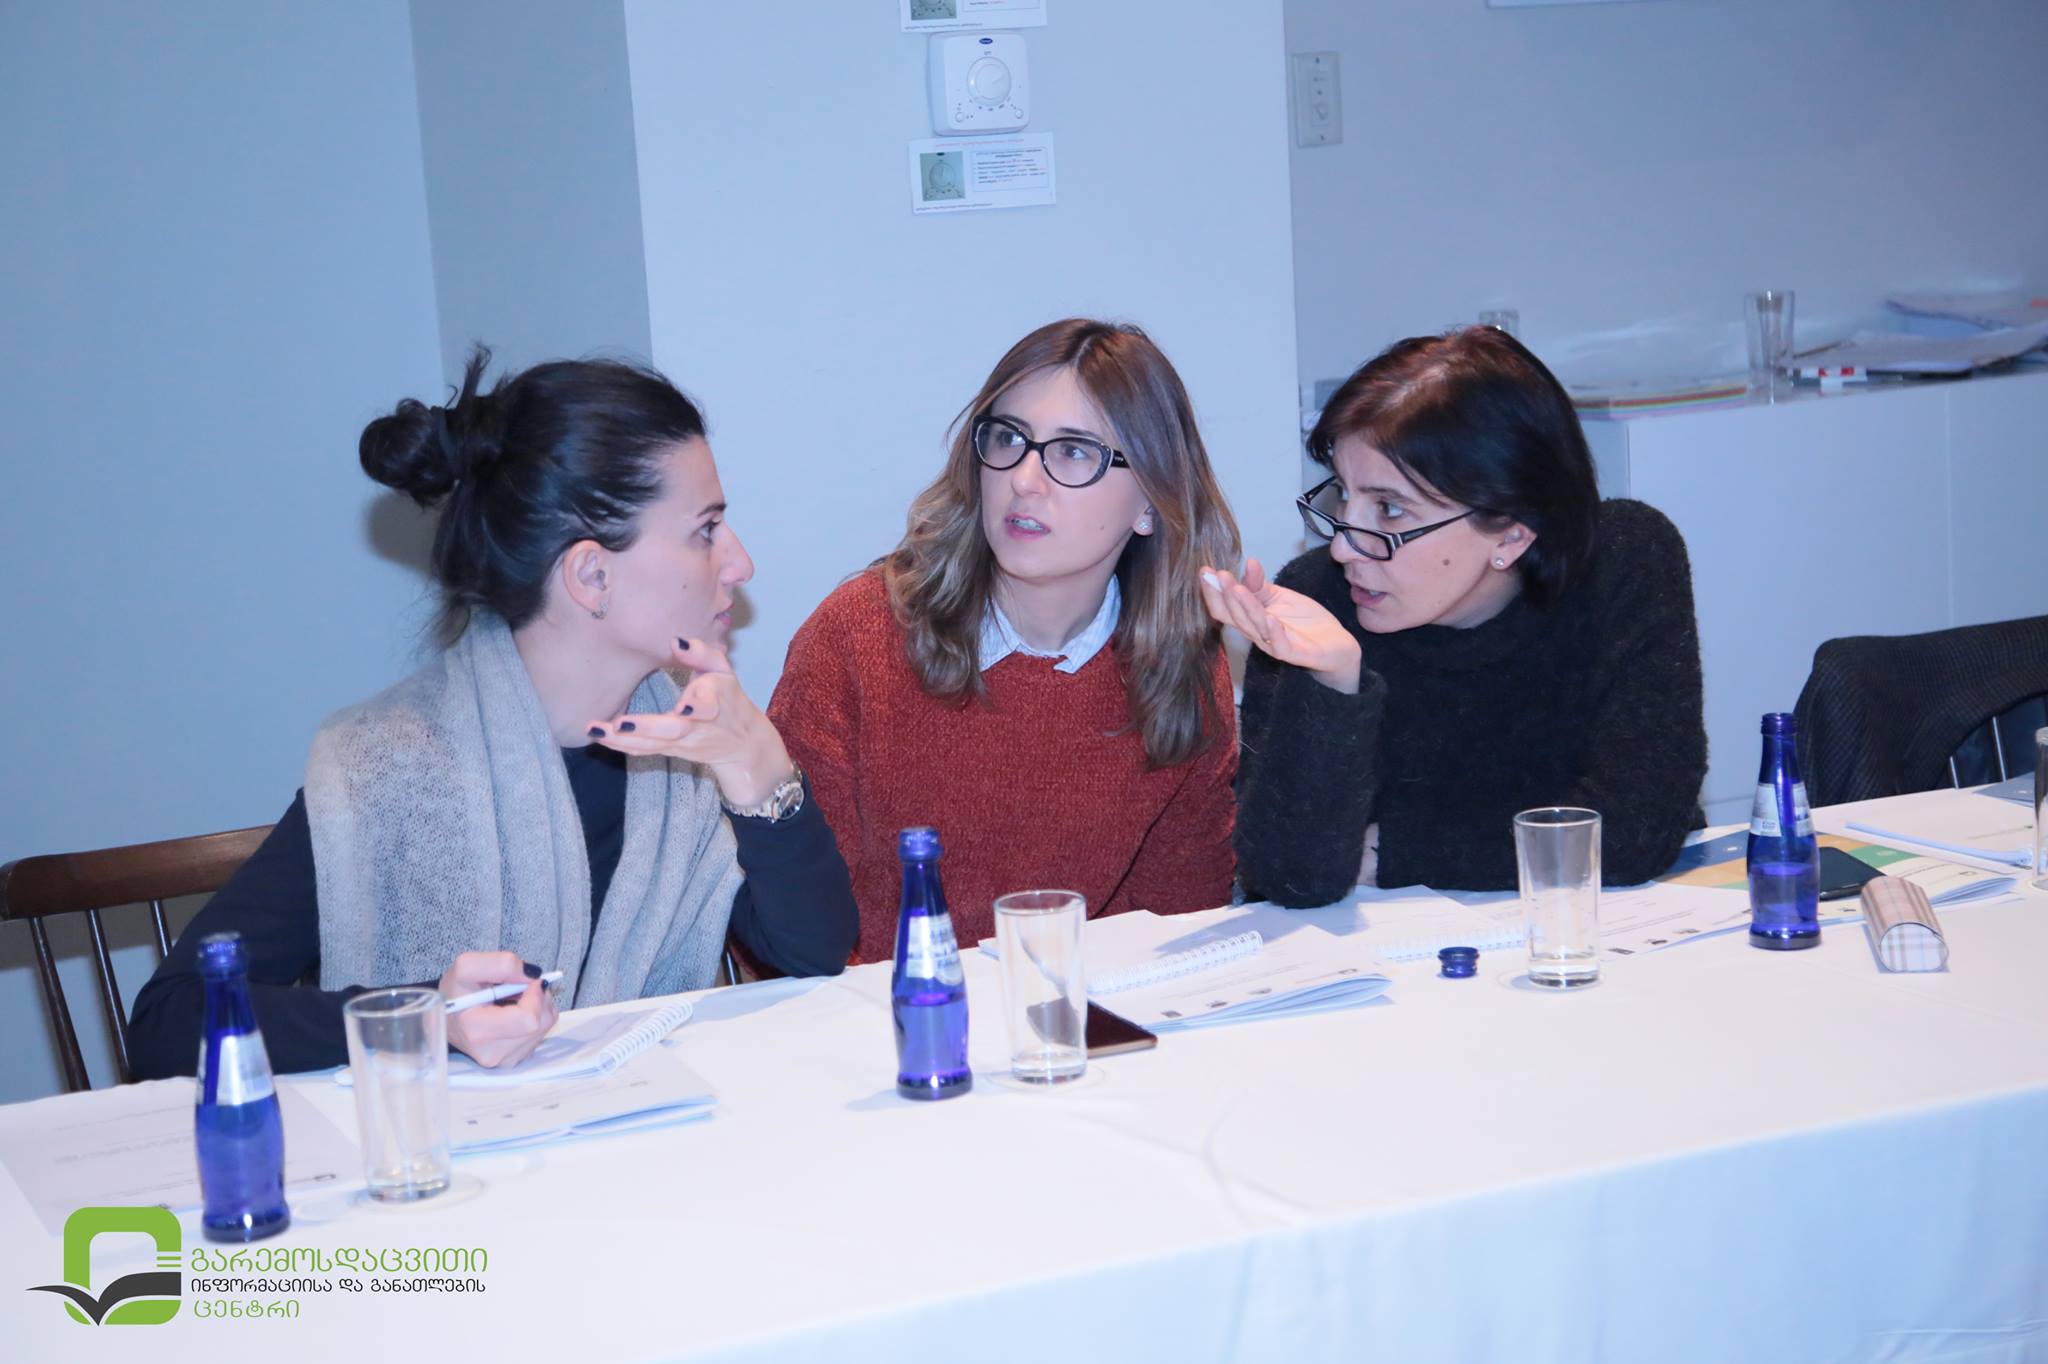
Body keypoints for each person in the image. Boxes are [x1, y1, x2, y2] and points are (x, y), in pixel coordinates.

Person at [130, 348, 858, 1077]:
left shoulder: (689, 744)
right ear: (592, 574)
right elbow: (171, 1020)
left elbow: (815, 953)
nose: (739, 563)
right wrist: (429, 1015)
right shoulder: (391, 765)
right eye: (705, 530)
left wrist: (760, 768)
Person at [768, 318, 1242, 959]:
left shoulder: (1181, 663)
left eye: (1074, 451)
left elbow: (1180, 935)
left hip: (1080, 1010)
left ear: (1151, 503)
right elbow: (795, 936)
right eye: (1008, 438)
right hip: (883, 1008)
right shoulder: (857, 635)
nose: (1023, 477)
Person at [1204, 326, 1705, 906]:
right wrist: (1333, 682)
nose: (1343, 546)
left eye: (1389, 509)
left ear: (1512, 534)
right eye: (1343, 493)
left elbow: (1634, 828)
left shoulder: (1625, 561)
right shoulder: (1318, 598)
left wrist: (1389, 851)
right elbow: (1285, 876)